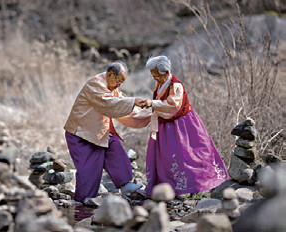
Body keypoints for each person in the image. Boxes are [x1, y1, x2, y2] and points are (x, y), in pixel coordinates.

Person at [64, 61, 150, 202]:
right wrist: (133, 101)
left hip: (98, 133)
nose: (119, 85)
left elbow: (122, 104)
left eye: (122, 82)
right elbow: (109, 105)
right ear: (110, 74)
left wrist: (149, 114)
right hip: (81, 134)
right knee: (89, 172)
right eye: (118, 81)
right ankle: (83, 204)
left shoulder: (111, 87)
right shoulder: (95, 84)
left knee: (115, 147)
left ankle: (125, 184)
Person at [143, 56, 229, 197]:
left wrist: (152, 103)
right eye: (153, 76)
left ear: (165, 72)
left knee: (189, 155)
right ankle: (171, 187)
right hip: (166, 125)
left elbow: (173, 106)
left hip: (182, 125)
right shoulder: (161, 83)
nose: (155, 79)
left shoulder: (176, 85)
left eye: (156, 76)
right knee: (167, 157)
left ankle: (197, 185)